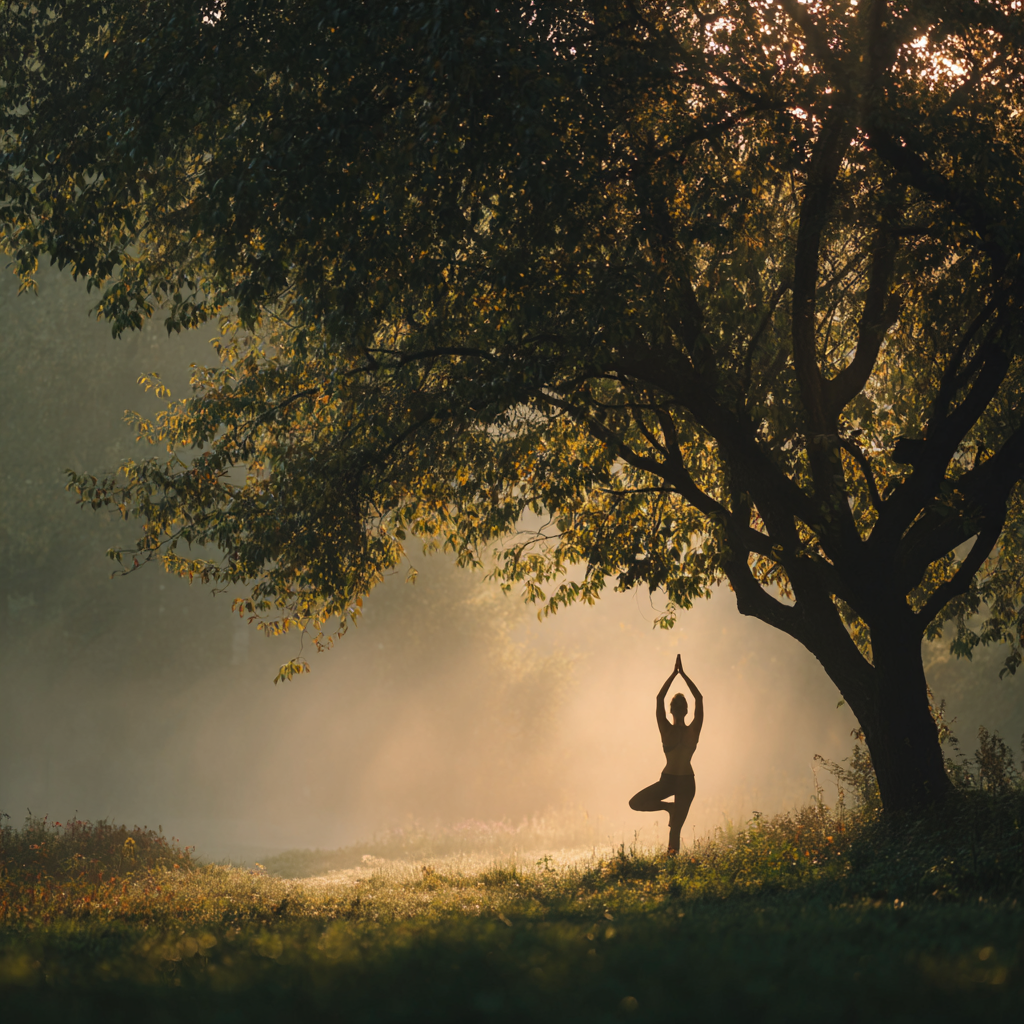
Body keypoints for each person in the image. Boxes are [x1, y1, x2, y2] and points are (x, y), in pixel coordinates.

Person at [628, 654, 703, 855]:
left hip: (678, 782)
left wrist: (675, 674)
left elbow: (659, 698)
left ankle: (671, 865)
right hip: (678, 781)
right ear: (686, 710)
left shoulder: (668, 729)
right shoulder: (691, 730)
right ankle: (669, 808)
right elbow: (699, 698)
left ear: (671, 710)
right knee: (673, 828)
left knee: (673, 827)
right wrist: (682, 675)